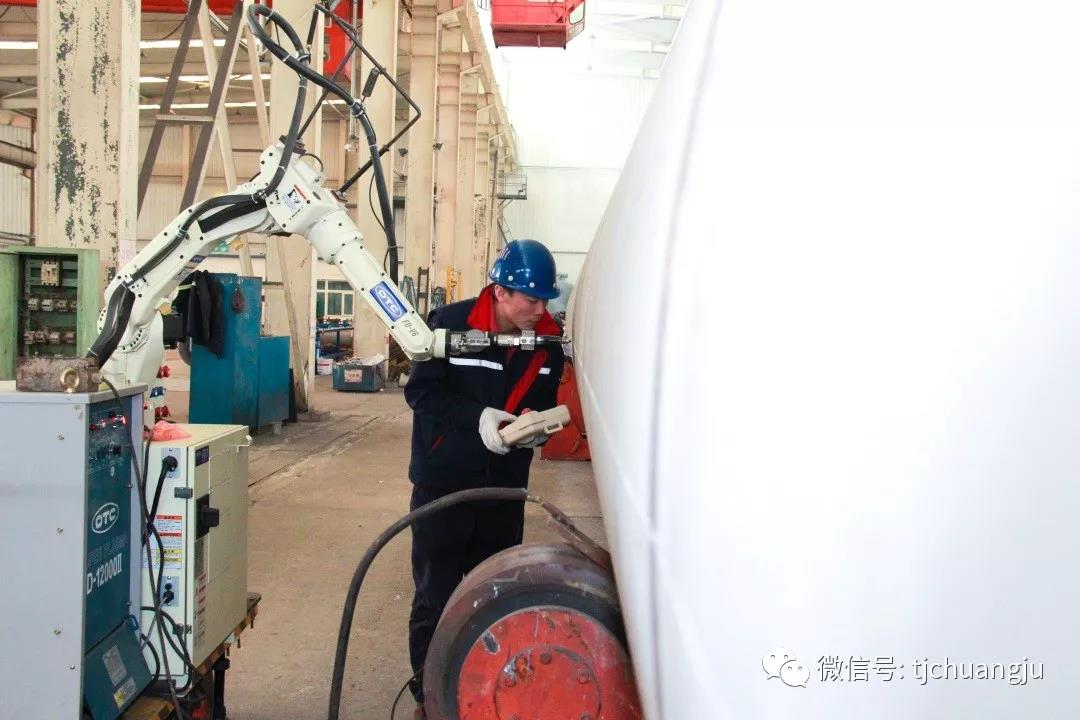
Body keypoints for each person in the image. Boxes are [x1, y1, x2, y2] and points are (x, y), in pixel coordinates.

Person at [403, 239, 566, 714]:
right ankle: (431, 695)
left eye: (545, 300)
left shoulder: (547, 341)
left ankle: (482, 692)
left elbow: (544, 399)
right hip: (444, 485)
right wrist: (477, 418)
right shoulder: (449, 325)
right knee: (436, 596)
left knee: (495, 594)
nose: (540, 310)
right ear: (500, 292)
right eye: (530, 300)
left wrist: (535, 427)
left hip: (503, 490)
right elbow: (421, 394)